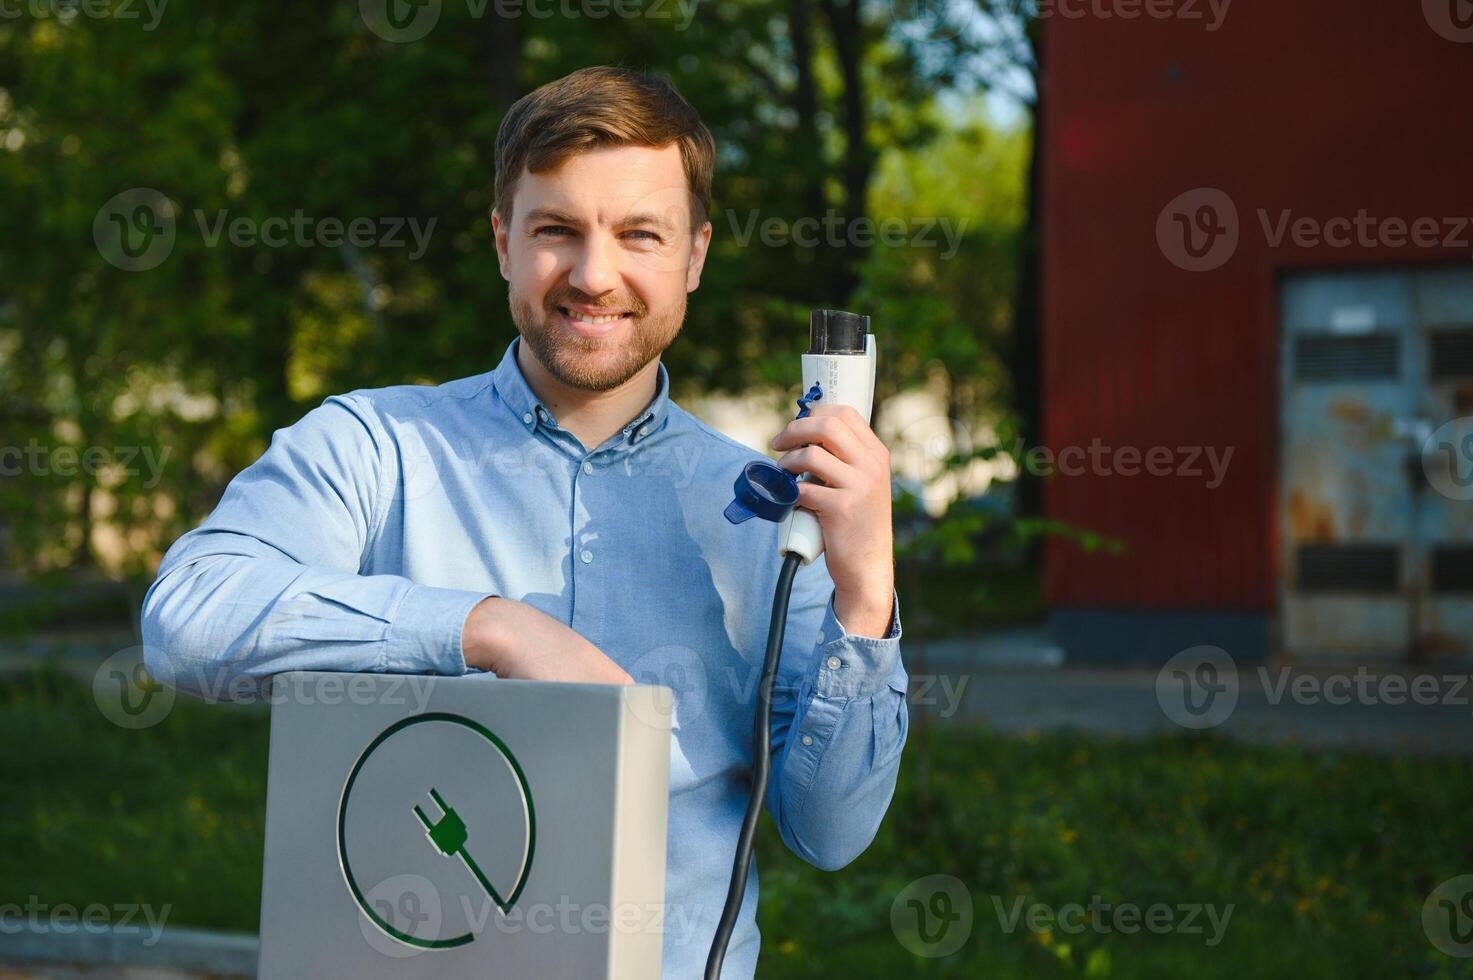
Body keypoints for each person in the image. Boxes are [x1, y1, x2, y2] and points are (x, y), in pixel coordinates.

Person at [141, 65, 908, 978]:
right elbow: (187, 622)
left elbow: (829, 835)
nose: (594, 274)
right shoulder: (370, 447)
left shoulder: (777, 517)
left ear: (694, 256)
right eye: (556, 230)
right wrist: (488, 628)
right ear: (503, 240)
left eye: (638, 234)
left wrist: (864, 597)